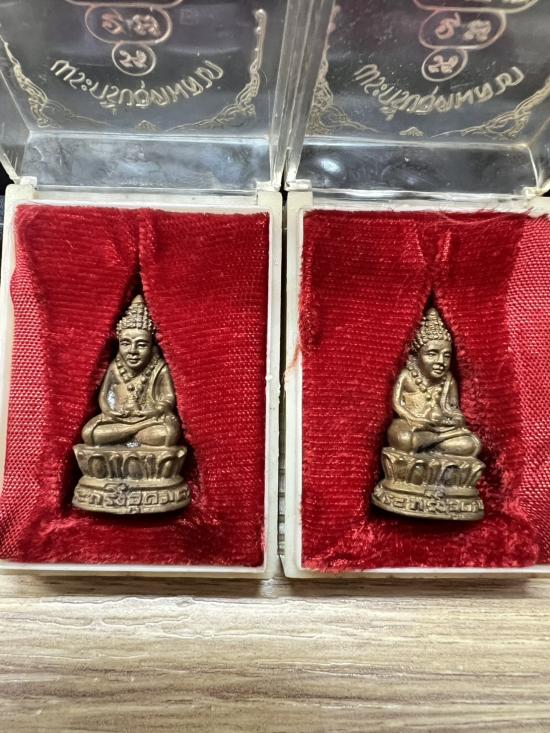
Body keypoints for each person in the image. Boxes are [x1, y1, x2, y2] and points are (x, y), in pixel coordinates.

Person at [82, 294, 181, 448]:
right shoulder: (115, 367)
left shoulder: (159, 367)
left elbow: (168, 397)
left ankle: (128, 434)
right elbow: (104, 395)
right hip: (118, 419)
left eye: (141, 345)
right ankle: (132, 431)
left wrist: (155, 410)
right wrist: (109, 411)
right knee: (89, 433)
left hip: (150, 419)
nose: (132, 351)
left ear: (152, 347)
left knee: (167, 434)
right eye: (126, 343)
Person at [387, 307, 481, 458]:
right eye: (432, 354)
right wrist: (415, 419)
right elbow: (397, 404)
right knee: (402, 438)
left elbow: (454, 409)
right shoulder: (407, 376)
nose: (440, 361)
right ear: (415, 356)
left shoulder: (448, 380)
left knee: (471, 444)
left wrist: (454, 419)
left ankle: (428, 447)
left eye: (446, 356)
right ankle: (429, 446)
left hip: (438, 429)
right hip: (411, 424)